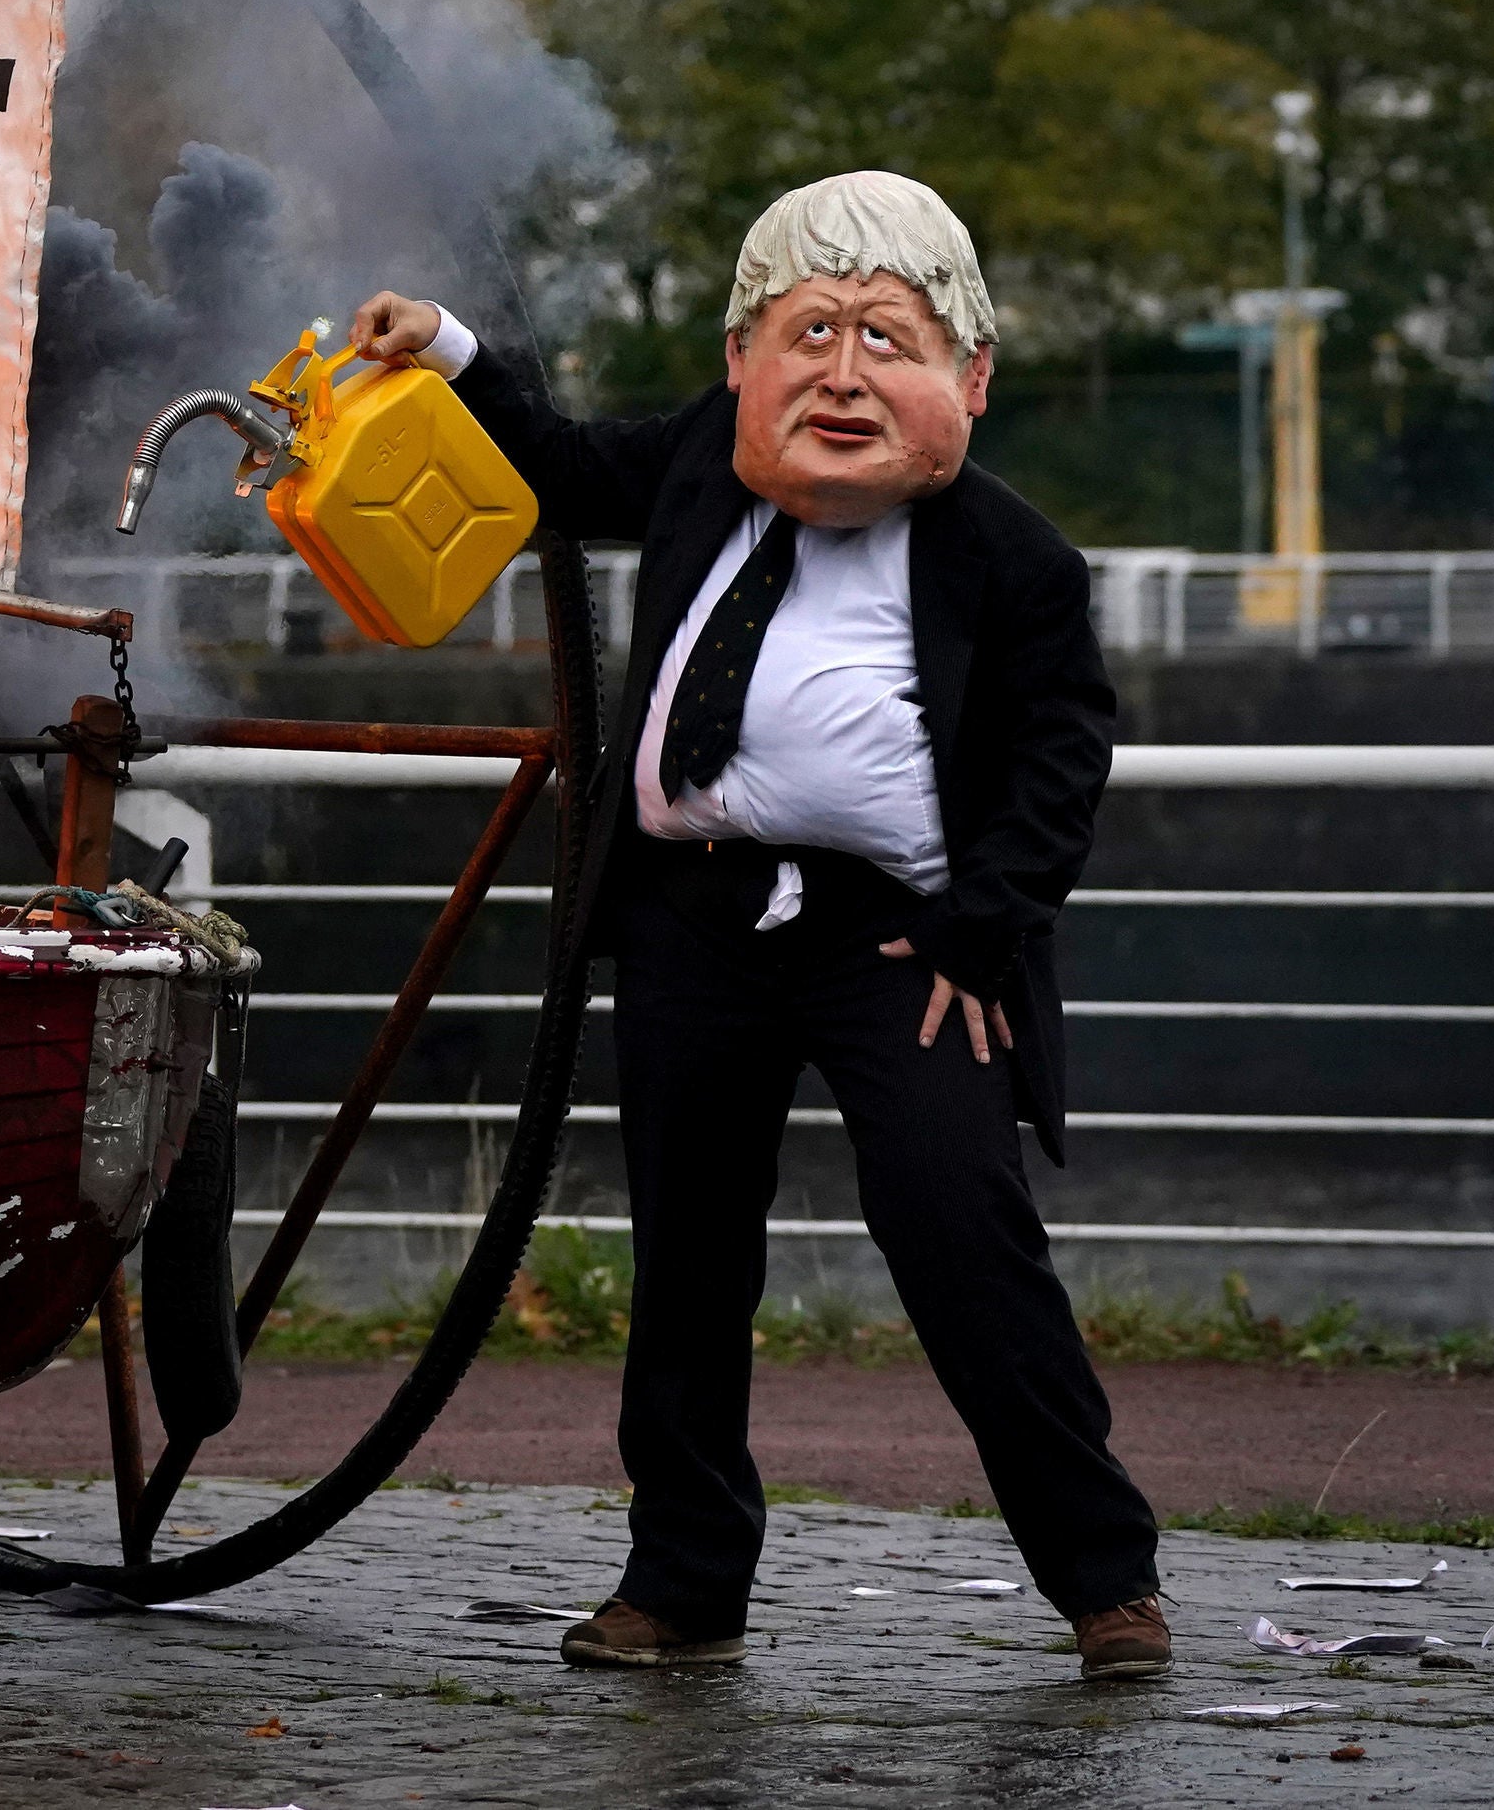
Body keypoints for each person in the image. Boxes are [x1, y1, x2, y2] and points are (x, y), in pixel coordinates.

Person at [350, 169, 1167, 1682]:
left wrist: (984, 930)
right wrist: (453, 348)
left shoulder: (1015, 560)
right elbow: (553, 461)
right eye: (810, 331)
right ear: (739, 358)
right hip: (693, 925)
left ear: (972, 377)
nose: (844, 375)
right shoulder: (687, 470)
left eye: (889, 336)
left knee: (963, 1240)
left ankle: (1107, 1576)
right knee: (688, 1262)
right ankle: (684, 1581)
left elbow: (1062, 755)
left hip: (903, 945)